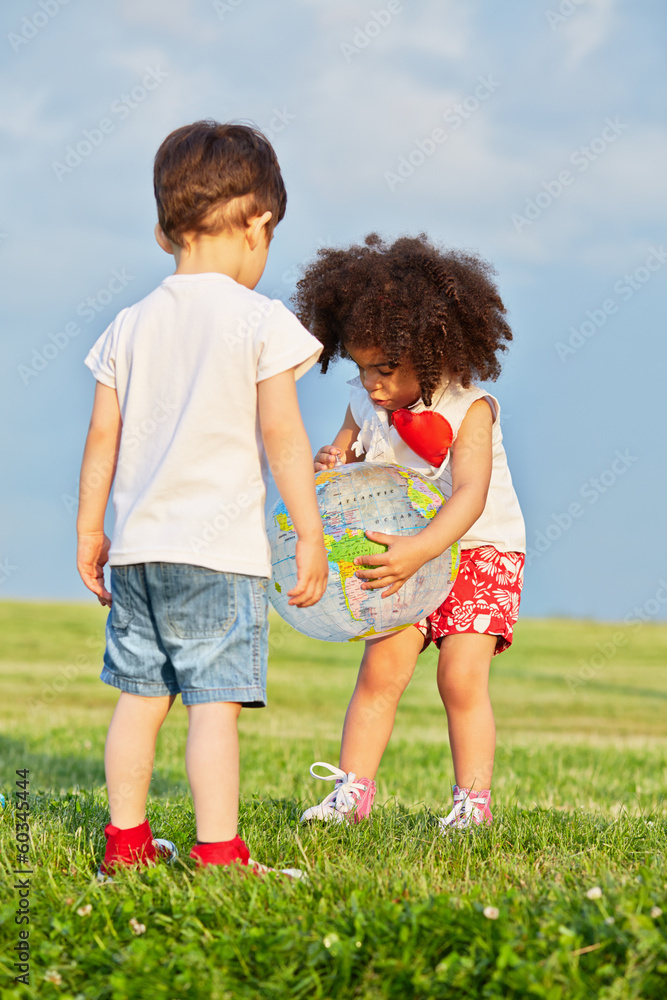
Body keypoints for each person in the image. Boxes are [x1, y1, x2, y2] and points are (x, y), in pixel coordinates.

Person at [76, 120, 328, 876]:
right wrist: (309, 532)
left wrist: (91, 532)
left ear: (163, 233)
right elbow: (282, 435)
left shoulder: (129, 324)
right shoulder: (259, 320)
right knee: (213, 706)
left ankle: (126, 845)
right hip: (219, 557)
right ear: (260, 223)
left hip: (142, 553)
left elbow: (101, 440)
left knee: (139, 698)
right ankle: (218, 852)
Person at [294, 233, 525, 831]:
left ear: (432, 350)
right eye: (361, 367)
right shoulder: (366, 400)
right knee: (380, 672)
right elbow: (346, 456)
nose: (371, 383)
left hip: (477, 548)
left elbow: (470, 496)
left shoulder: (467, 407)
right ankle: (353, 793)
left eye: (386, 369)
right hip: (403, 551)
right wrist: (334, 460)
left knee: (460, 676)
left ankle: (472, 804)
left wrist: (422, 550)